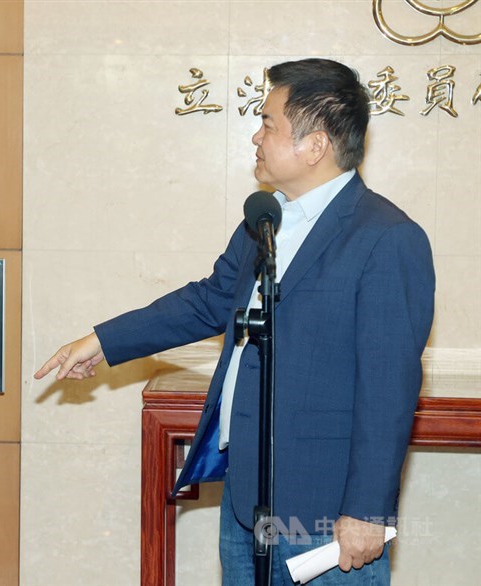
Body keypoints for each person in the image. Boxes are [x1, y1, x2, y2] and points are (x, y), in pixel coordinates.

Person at [35, 58, 435, 585]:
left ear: (314, 146)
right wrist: (103, 341)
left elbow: (389, 390)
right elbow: (208, 302)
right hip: (248, 501)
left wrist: (368, 511)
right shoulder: (264, 219)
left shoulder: (386, 238)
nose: (255, 137)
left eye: (268, 125)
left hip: (325, 513)